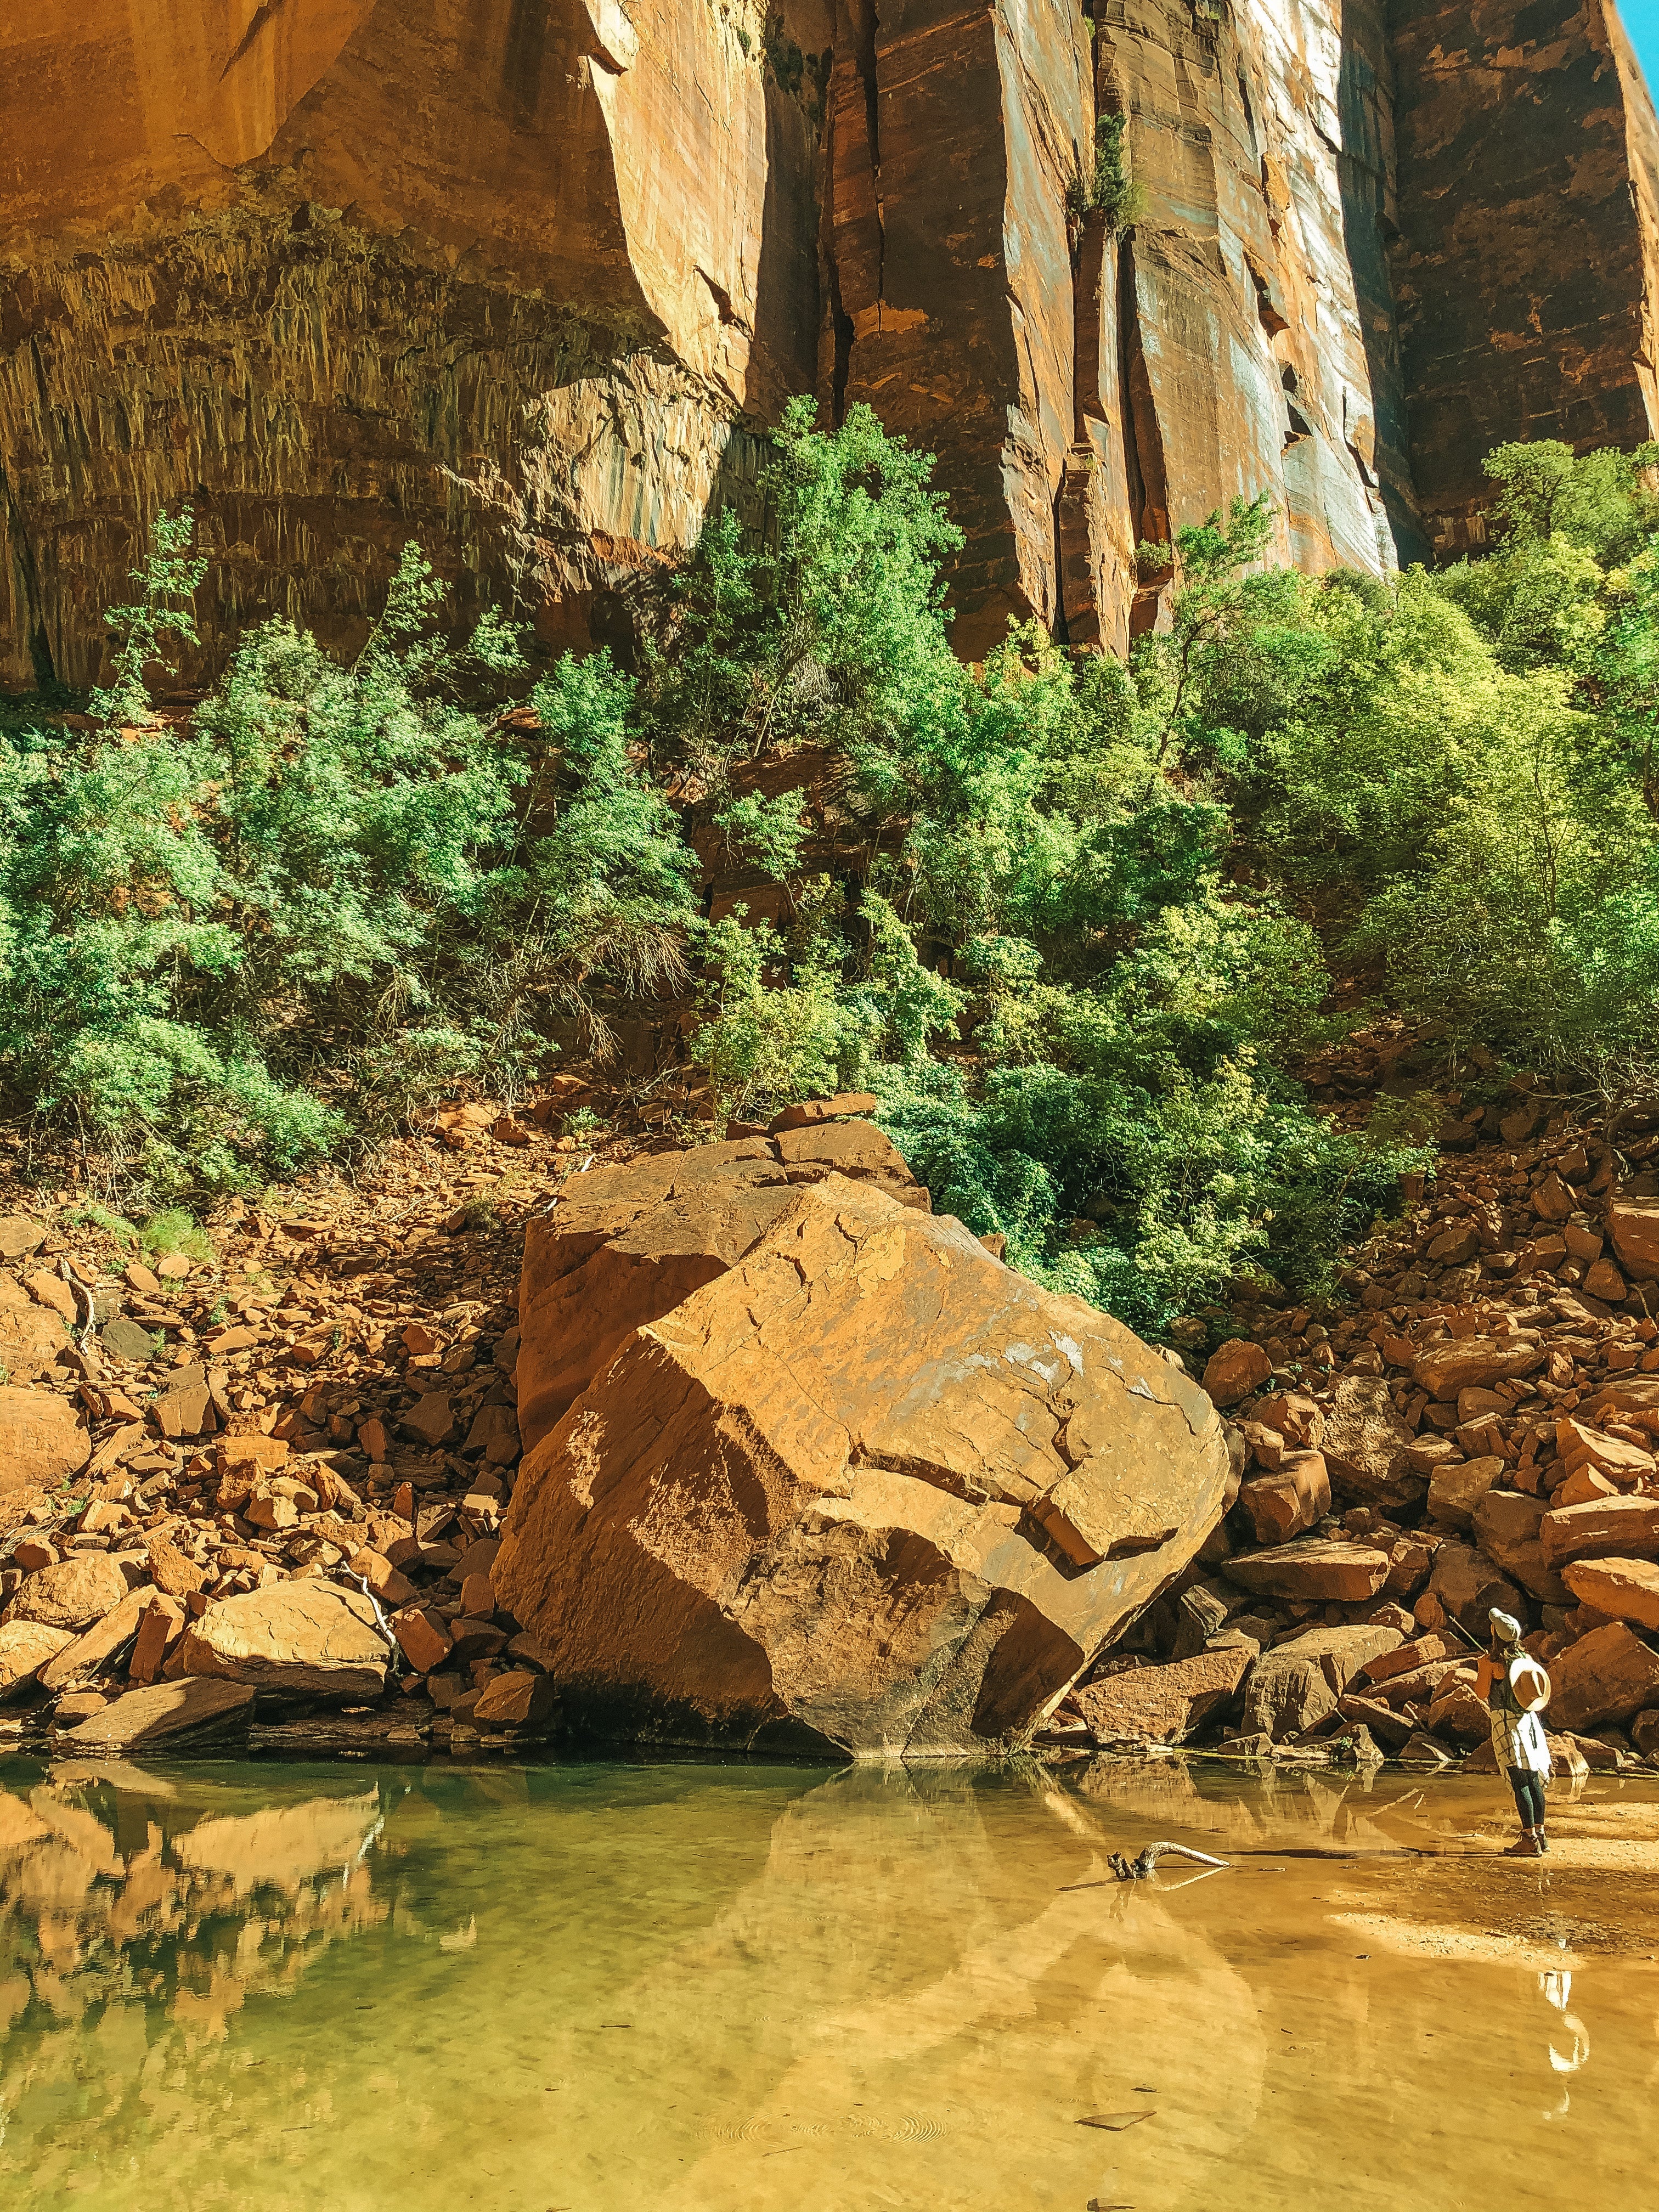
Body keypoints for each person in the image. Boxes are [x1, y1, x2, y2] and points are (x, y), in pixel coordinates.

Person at [1476, 1608, 1552, 1856]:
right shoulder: (1526, 1660)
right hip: (1529, 1724)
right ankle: (1541, 1835)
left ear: (1495, 1634)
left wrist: (1481, 1667)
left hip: (1506, 1725)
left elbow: (1481, 1693)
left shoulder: (1492, 1664)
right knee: (1532, 1779)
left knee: (1520, 1782)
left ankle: (1529, 1840)